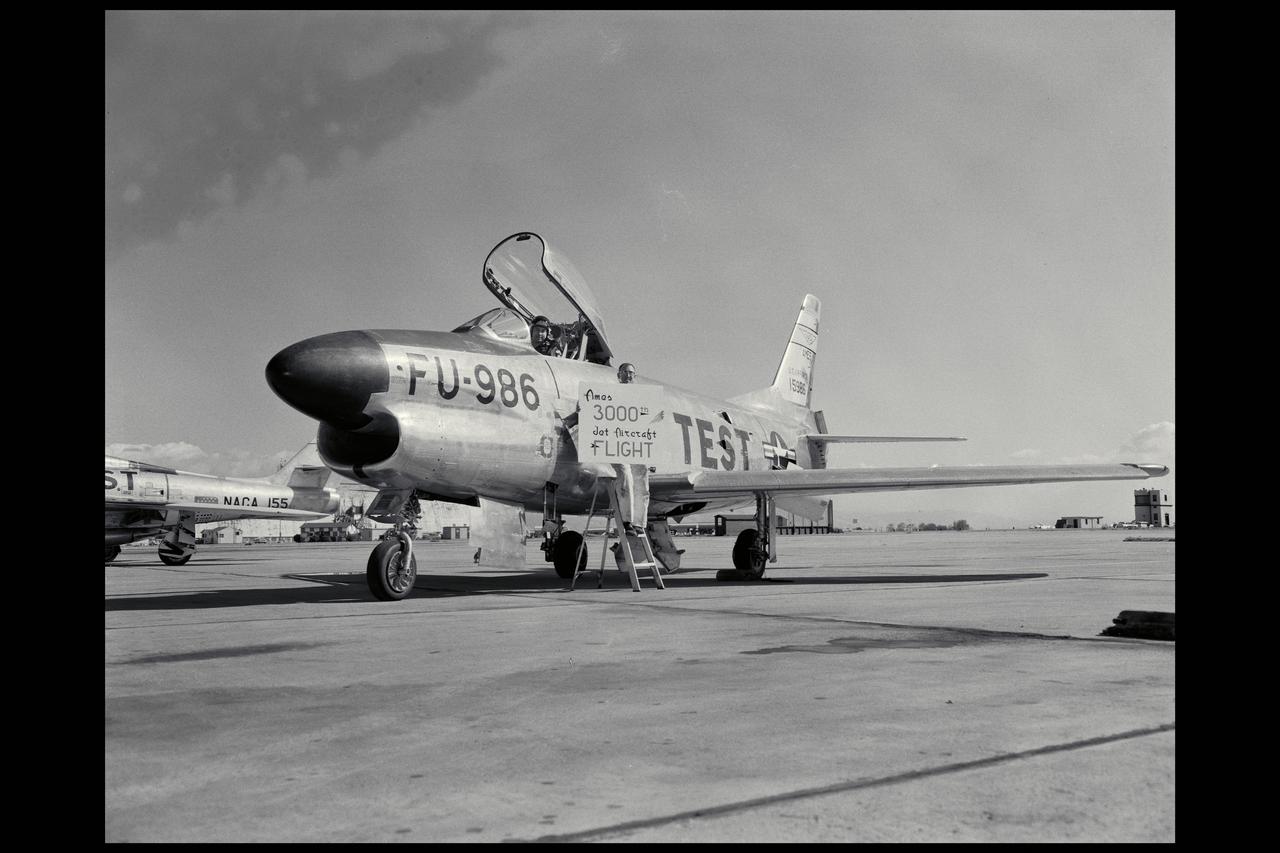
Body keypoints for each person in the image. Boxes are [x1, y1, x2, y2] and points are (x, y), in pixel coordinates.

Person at [612, 363, 649, 534]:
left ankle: (640, 523)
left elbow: (648, 420)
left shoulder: (643, 397)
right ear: (619, 375)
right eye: (625, 372)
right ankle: (627, 521)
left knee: (641, 481)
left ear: (635, 376)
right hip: (617, 442)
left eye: (631, 373)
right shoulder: (609, 394)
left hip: (637, 443)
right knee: (625, 478)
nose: (628, 375)